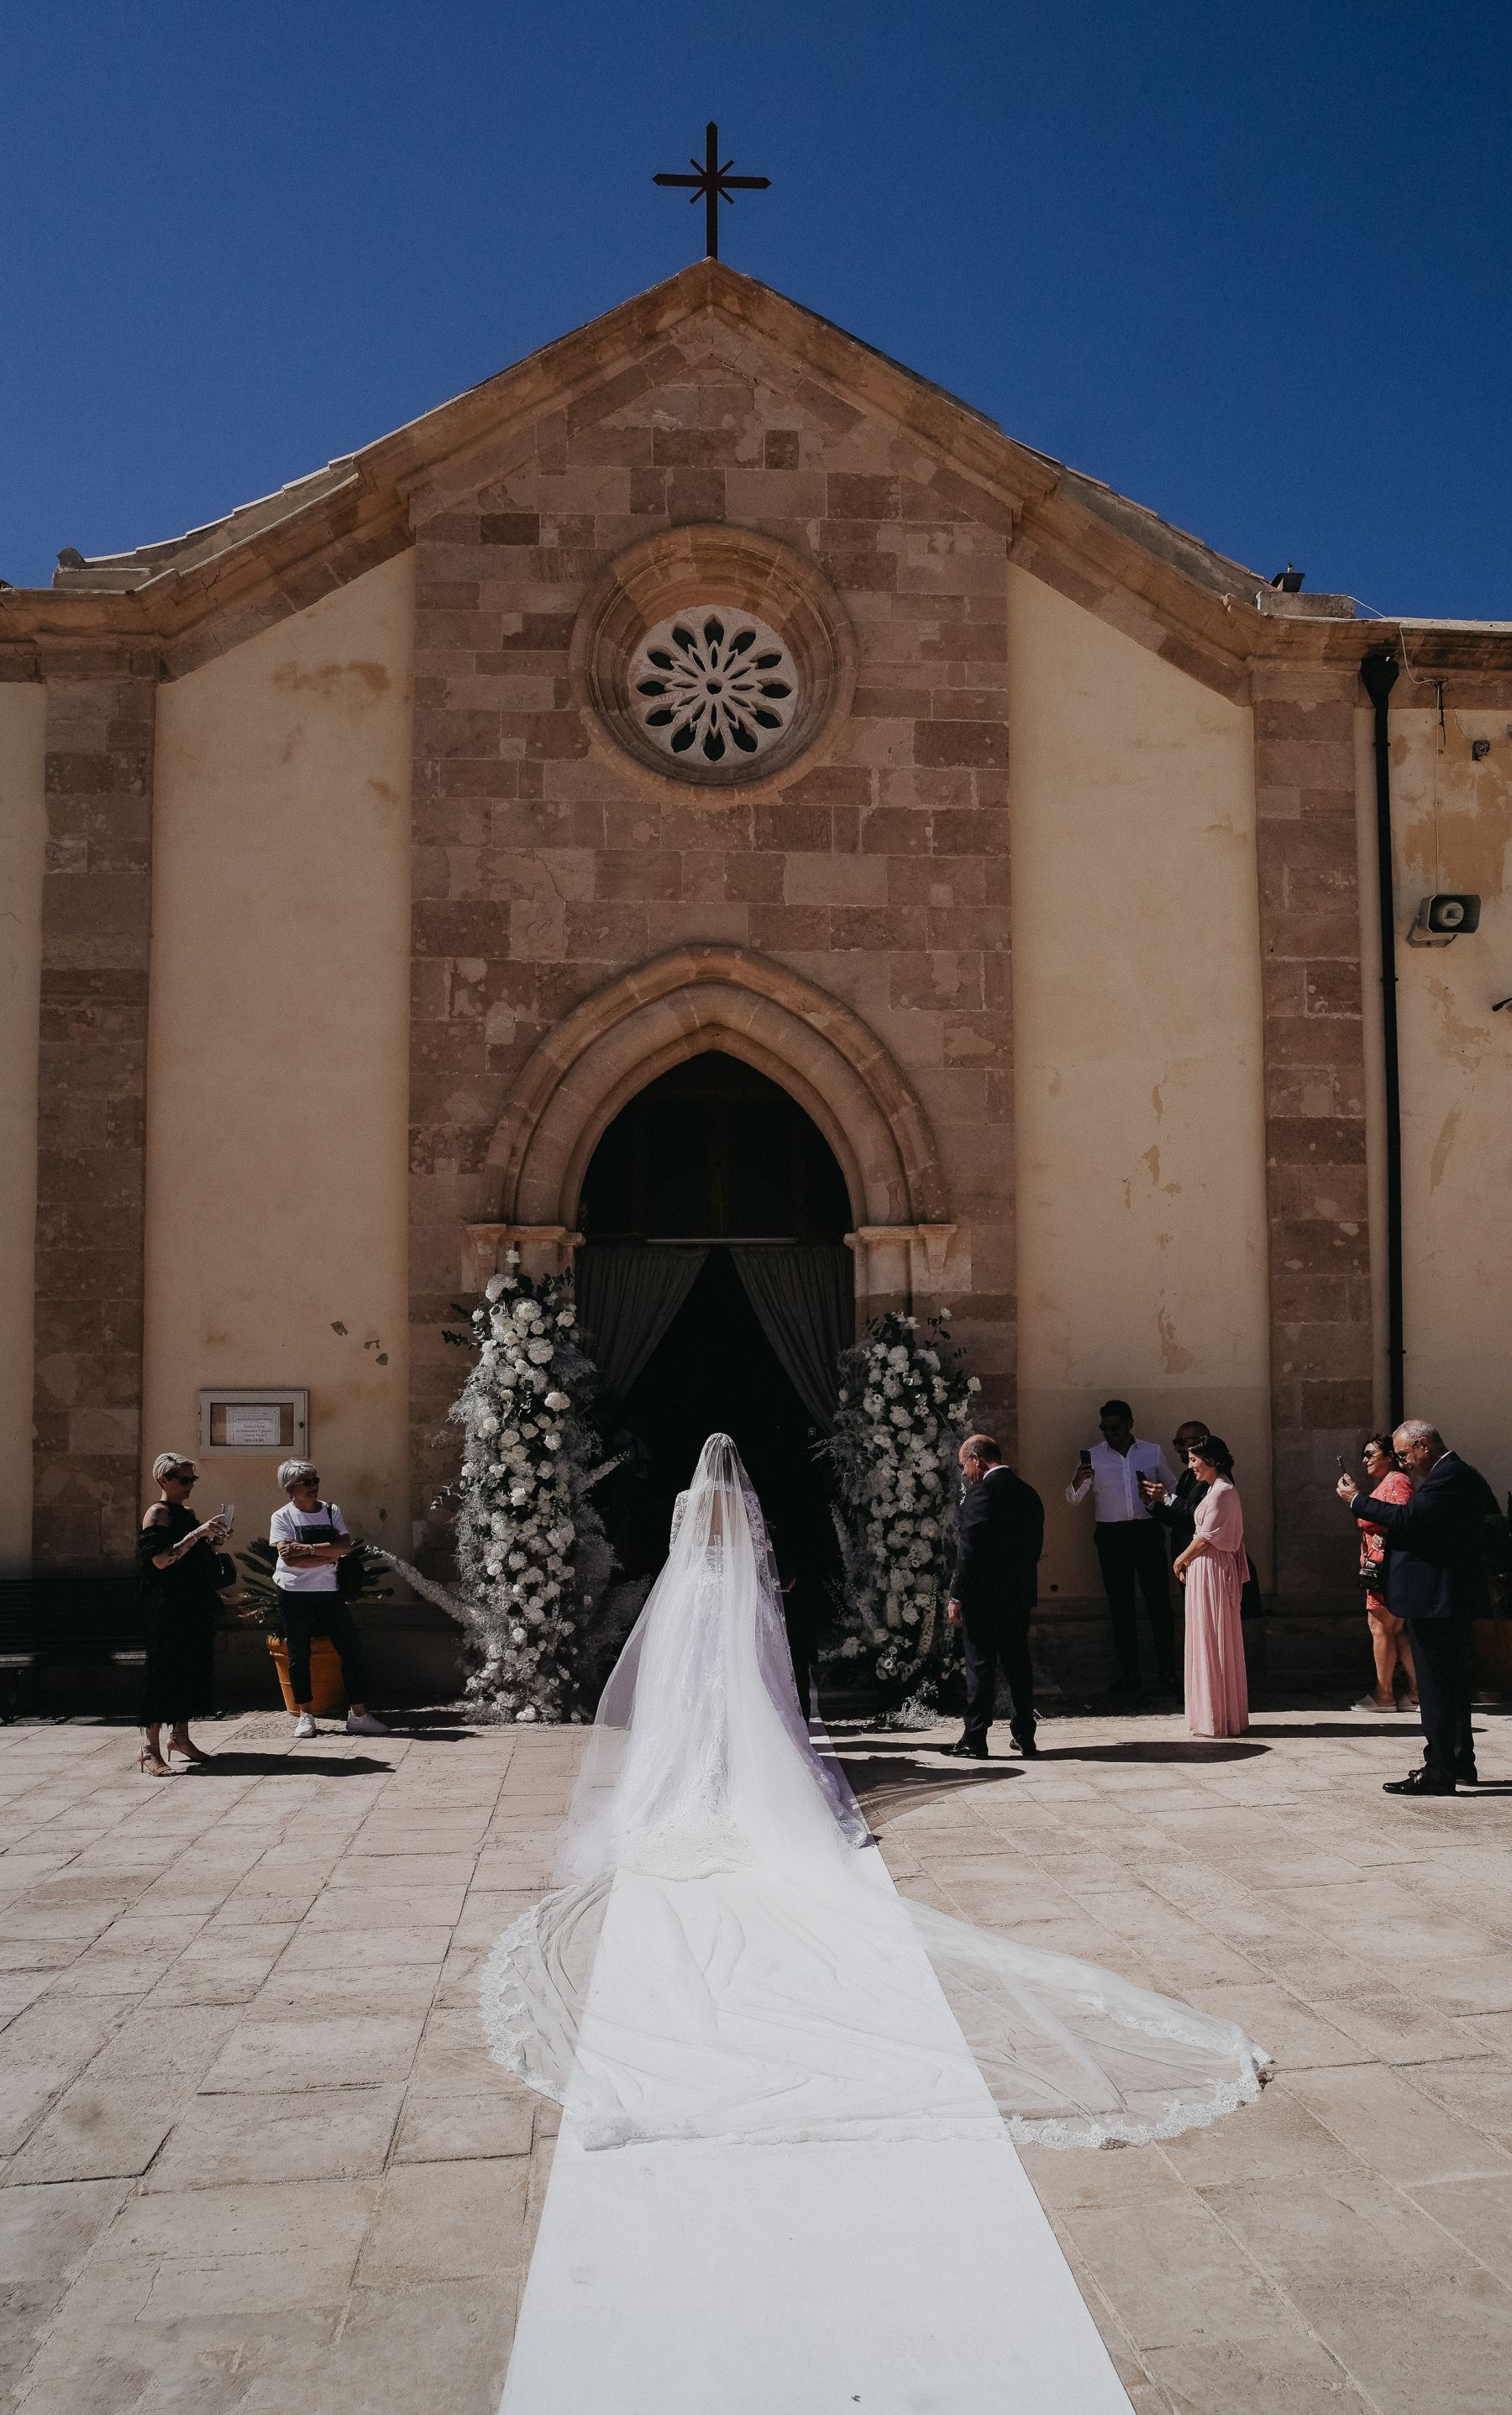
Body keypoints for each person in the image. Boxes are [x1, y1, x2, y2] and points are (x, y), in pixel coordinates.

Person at [480, 1432, 1269, 2171]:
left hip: (698, 1624)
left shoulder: (691, 1517)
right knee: (761, 1698)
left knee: (690, 1705)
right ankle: (1003, 1732)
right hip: (878, 1608)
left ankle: (704, 1782)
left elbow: (699, 1574)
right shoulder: (757, 1517)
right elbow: (762, 1582)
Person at [1337, 1421, 1498, 1796]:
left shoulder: (1450, 1477)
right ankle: (1458, 1761)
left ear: (1424, 1445)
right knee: (1450, 1683)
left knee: (1436, 1686)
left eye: (1406, 1454)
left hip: (1438, 1598)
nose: (1403, 1462)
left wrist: (1357, 1501)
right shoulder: (1456, 1474)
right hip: (1444, 1595)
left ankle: (1439, 1769)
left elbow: (1409, 1519)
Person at [270, 1460, 390, 1739]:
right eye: (307, 1482)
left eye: (315, 1480)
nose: (314, 1486)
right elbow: (289, 1558)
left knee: (351, 1649)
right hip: (293, 1592)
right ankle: (306, 1716)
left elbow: (345, 1547)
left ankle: (359, 1715)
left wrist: (308, 1549)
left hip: (329, 1592)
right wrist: (328, 1555)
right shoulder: (282, 1517)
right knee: (299, 1654)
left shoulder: (331, 1510)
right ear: (290, 1488)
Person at [1066, 1399, 1179, 1693]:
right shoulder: (1093, 1456)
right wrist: (1077, 1481)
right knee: (1121, 1605)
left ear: (1130, 1423)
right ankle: (1130, 1673)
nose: (1110, 1433)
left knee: (1159, 1603)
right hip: (1112, 1536)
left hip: (1146, 1531)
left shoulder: (1152, 1452)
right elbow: (1073, 1499)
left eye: (1115, 1427)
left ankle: (1168, 1670)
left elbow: (1173, 1489)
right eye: (1104, 1428)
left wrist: (1158, 1496)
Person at [942, 1434, 1044, 1760]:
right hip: (1018, 1594)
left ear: (977, 1459)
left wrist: (957, 1595)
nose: (964, 1473)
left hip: (985, 1597)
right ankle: (1025, 1737)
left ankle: (975, 1738)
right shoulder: (1029, 1493)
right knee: (1018, 1665)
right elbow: (1034, 1548)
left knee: (980, 1666)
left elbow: (969, 1551)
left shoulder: (981, 1493)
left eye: (964, 1465)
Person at [137, 1452, 235, 1773]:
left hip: (192, 1601)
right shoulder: (158, 1513)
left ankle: (180, 1737)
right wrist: (198, 1533)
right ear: (163, 1480)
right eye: (184, 1479)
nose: (190, 1485)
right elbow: (162, 1560)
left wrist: (213, 1540)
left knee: (189, 1669)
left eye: (193, 1479)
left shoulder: (187, 1512)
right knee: (162, 1673)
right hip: (166, 1605)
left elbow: (193, 1557)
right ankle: (149, 1748)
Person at [1172, 1436, 1248, 1739]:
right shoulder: (1215, 1490)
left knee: (1213, 1637)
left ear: (1211, 1461)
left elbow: (1206, 1536)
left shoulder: (1223, 1492)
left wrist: (1181, 1559)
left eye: (1194, 1460)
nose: (1191, 1466)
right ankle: (1212, 1715)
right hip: (1205, 1569)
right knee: (1205, 1637)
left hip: (1213, 1570)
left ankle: (1219, 1717)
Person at [1352, 1436, 1418, 1713]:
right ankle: (1415, 1693)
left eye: (1370, 1454)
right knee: (1396, 1631)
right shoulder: (1388, 1483)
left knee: (1379, 1628)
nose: (1365, 1459)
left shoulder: (1398, 1482)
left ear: (1389, 1456)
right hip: (1385, 1567)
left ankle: (1384, 1696)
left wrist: (1356, 1499)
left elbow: (1399, 1518)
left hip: (1385, 1568)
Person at [1142, 1419, 1212, 1562]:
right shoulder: (1187, 1476)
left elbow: (1203, 1515)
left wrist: (1167, 1498)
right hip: (1185, 1557)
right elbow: (1178, 1519)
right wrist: (1152, 1502)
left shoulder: (1215, 1476)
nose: (1177, 1448)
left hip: (1206, 1557)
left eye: (1181, 1443)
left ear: (1201, 1442)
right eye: (1175, 1443)